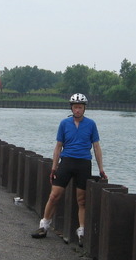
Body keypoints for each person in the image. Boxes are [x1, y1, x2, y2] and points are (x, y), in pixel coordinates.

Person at [31, 93, 106, 246]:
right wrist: (54, 167)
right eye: (75, 107)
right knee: (54, 195)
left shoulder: (91, 124)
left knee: (82, 200)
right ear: (71, 108)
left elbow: (96, 147)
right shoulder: (64, 123)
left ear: (84, 108)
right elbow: (58, 146)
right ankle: (43, 226)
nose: (77, 110)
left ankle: (82, 232)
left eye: (80, 107)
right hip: (66, 162)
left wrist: (101, 169)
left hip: (84, 163)